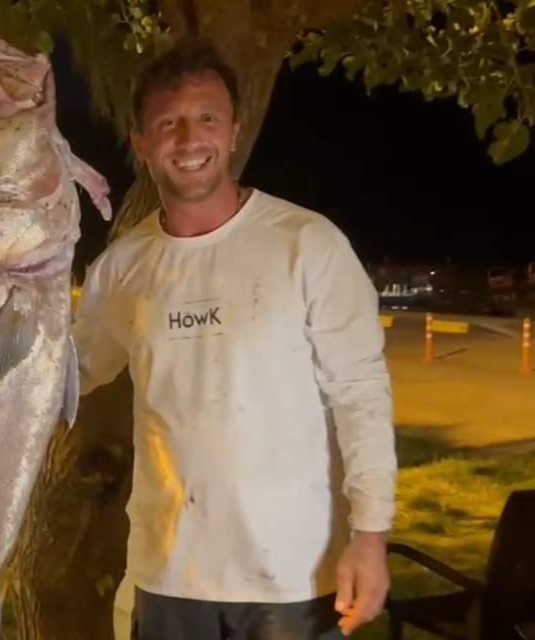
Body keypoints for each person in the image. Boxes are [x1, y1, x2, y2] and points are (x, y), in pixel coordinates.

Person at [74, 40, 397, 640]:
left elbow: (361, 395)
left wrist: (371, 535)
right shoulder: (122, 270)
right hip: (169, 573)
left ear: (234, 130)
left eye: (206, 119)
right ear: (141, 142)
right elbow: (70, 376)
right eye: (167, 123)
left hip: (293, 579)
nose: (189, 139)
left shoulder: (307, 243)